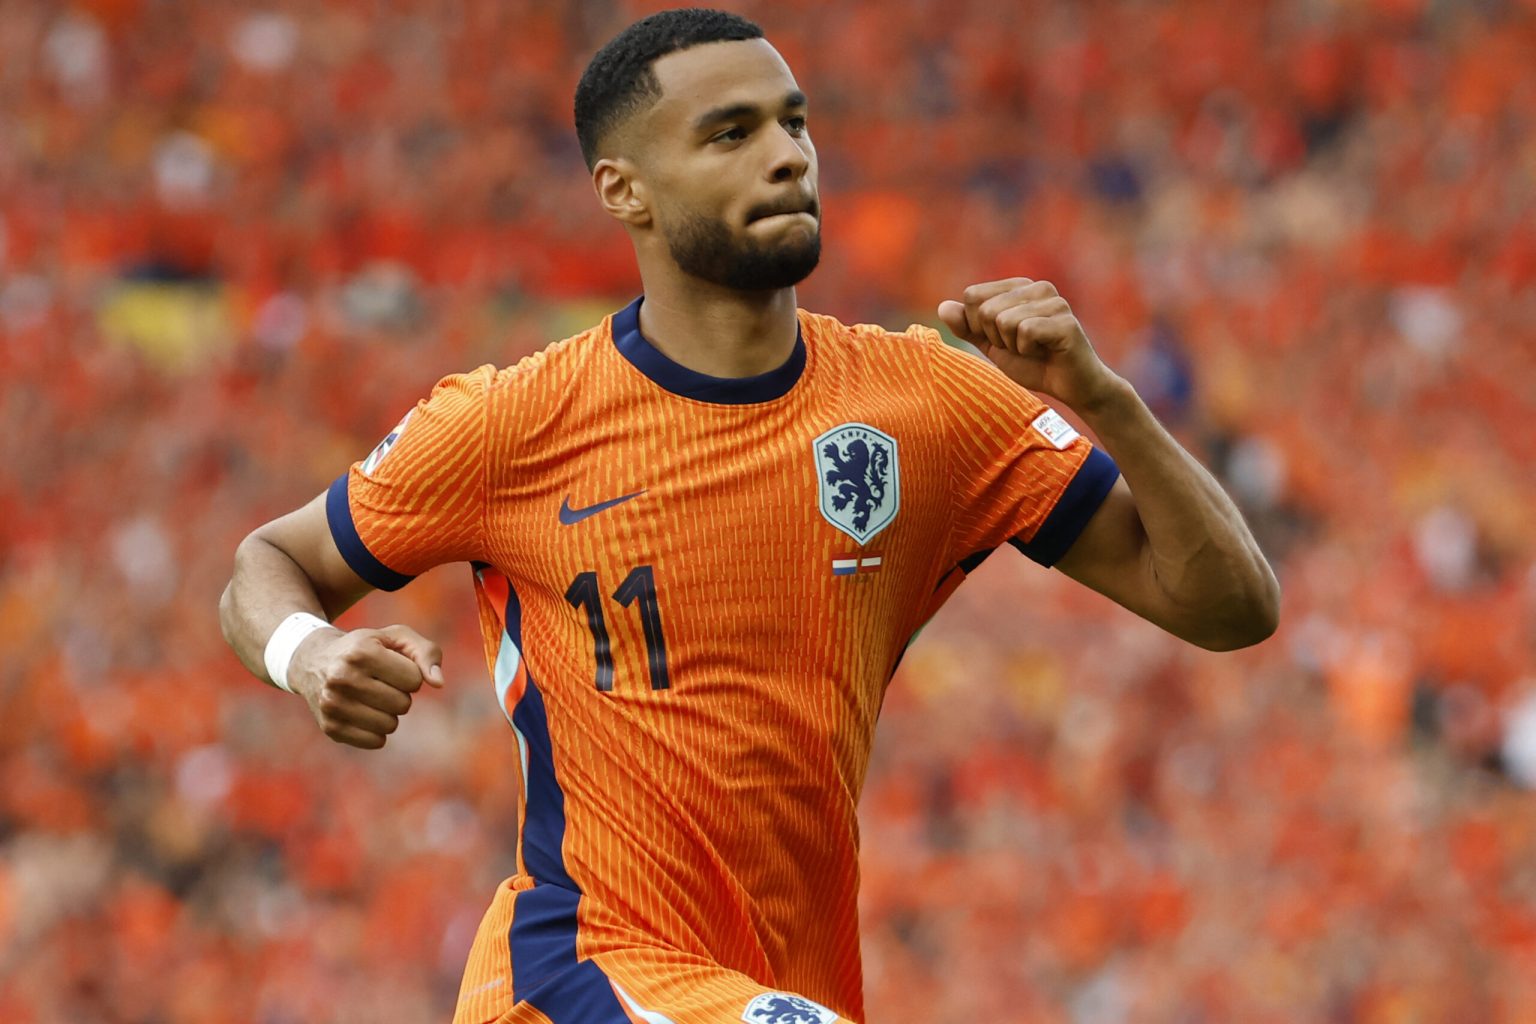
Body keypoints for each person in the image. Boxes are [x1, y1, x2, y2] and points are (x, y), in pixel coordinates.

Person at [219, 9, 1279, 1023]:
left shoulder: (927, 405)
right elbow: (269, 560)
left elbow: (1227, 606)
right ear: (625, 189)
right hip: (579, 972)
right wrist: (309, 654)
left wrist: (1105, 400)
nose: (786, 157)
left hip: (782, 987)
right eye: (731, 134)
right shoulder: (514, 423)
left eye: (794, 123)